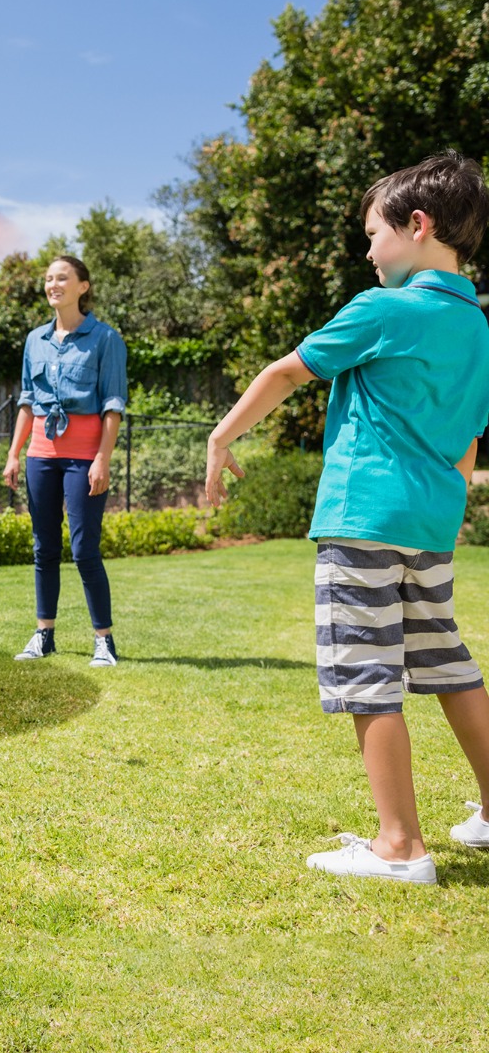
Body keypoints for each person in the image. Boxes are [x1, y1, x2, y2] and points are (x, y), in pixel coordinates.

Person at [205, 151, 489, 885]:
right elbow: (466, 439)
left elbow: (285, 372)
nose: (368, 250)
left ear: (416, 226)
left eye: (373, 233)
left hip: (363, 514)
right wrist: (444, 510)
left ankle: (400, 846)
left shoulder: (384, 310)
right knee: (448, 666)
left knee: (369, 675)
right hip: (430, 522)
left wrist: (220, 437)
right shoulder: (476, 328)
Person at [3, 255, 127, 665]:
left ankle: (104, 641)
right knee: (43, 548)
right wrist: (13, 454)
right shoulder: (34, 340)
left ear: (83, 287)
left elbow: (113, 406)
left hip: (84, 456)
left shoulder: (105, 338)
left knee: (84, 549)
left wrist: (102, 459)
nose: (53, 284)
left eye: (63, 278)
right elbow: (26, 401)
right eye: (49, 279)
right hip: (41, 453)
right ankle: (44, 634)